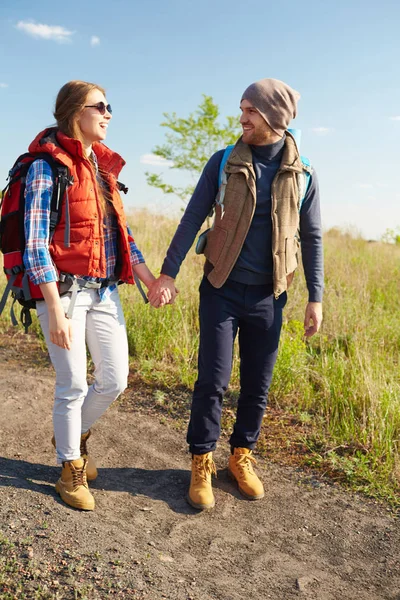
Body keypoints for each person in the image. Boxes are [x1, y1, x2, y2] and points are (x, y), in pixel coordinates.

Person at [148, 78, 324, 510]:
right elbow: (192, 218)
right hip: (221, 290)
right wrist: (167, 274)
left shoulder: (304, 174)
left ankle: (241, 456)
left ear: (275, 117)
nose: (241, 118)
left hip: (271, 295)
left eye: (250, 111)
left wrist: (315, 297)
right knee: (212, 380)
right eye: (242, 109)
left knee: (258, 387)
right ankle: (202, 459)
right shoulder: (224, 161)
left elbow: (313, 236)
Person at [23, 80, 171, 511]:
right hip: (63, 293)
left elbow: (119, 235)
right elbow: (35, 244)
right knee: (70, 385)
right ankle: (69, 466)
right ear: (75, 112)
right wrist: (53, 309)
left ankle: (72, 433)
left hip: (104, 291)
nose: (108, 114)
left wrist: (148, 278)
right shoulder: (45, 168)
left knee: (115, 379)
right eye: (100, 106)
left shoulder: (102, 170)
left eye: (110, 106)